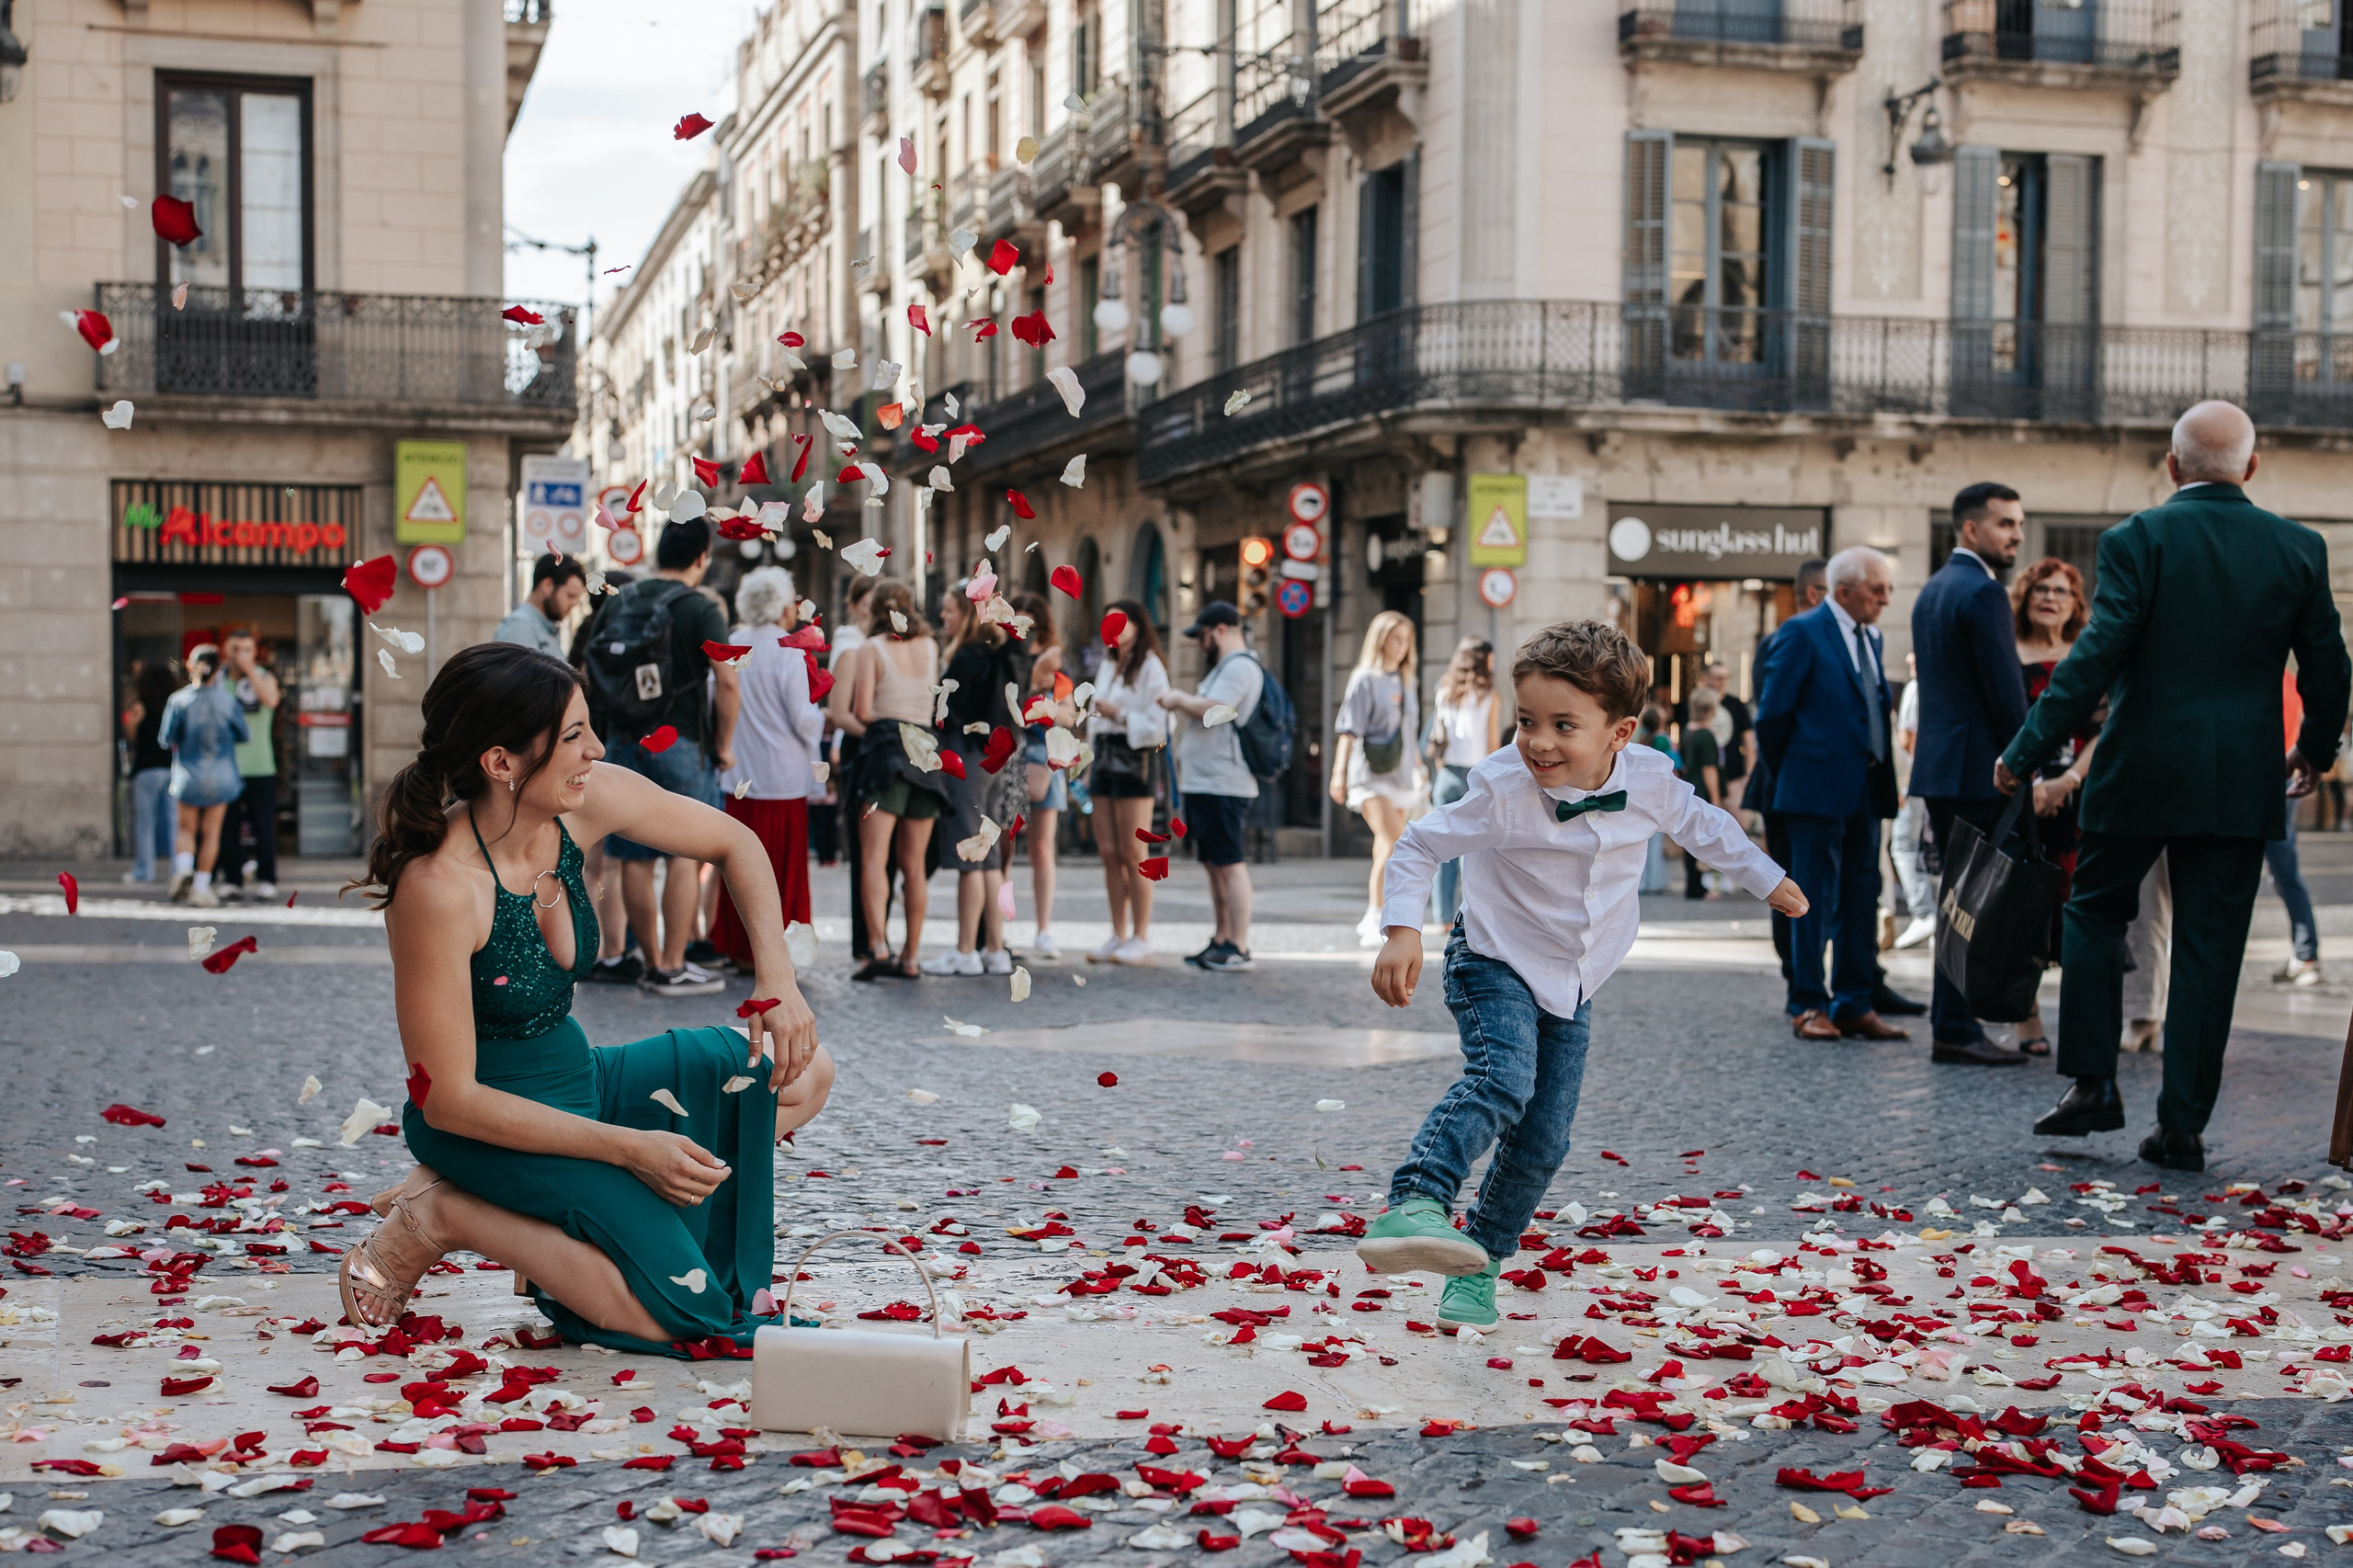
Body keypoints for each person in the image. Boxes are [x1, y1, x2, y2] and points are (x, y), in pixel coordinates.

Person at [335, 642, 834, 1348]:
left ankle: (555, 1233)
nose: (596, 749)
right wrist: (629, 1149)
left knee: (805, 1072)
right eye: (572, 736)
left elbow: (736, 843)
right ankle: (445, 1212)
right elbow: (448, 1098)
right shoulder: (438, 888)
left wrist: (776, 981)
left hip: (580, 1080)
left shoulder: (584, 800)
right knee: (684, 1317)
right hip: (484, 1121)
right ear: (500, 763)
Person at [1356, 620, 1806, 1330]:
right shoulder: (1503, 787)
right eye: (1527, 720)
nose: (1538, 741)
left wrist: (1768, 879)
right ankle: (1415, 1201)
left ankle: (1478, 1264)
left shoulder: (1651, 780)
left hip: (1575, 979)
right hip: (1493, 958)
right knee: (1503, 1079)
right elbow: (1417, 844)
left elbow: (1706, 826)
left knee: (1544, 1140)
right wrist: (1402, 929)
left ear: (1620, 732)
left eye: (1564, 725)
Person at [2018, 401, 2351, 1170]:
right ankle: (2183, 1127)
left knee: (2096, 915)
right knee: (2211, 946)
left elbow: (2095, 657)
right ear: (2252, 467)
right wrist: (2312, 750)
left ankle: (2094, 1083)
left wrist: (2029, 746)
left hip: (2139, 769)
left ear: (2171, 467)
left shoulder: (2136, 538)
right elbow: (2330, 665)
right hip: (2241, 777)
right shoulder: (2298, 547)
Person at [1752, 546, 1908, 1043]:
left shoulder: (1872, 637)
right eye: (1877, 589)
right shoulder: (1800, 633)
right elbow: (1772, 718)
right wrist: (1796, 774)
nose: (1886, 598)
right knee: (1809, 899)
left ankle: (1855, 1001)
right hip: (1811, 792)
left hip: (1866, 788)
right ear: (1845, 592)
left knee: (1863, 895)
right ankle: (1807, 1004)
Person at [1907, 483, 2033, 1065]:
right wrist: (2027, 758)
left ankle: (1953, 1025)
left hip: (1942, 769)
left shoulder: (1933, 589)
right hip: (1980, 772)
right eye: (2006, 523)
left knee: (1956, 900)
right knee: (1971, 906)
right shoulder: (1982, 592)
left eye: (2019, 523)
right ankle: (1957, 1029)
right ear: (1970, 529)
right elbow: (2006, 694)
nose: (2017, 534)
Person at [591, 520, 738, 998]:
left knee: (632, 855)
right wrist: (723, 743)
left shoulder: (621, 599)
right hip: (680, 739)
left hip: (622, 740)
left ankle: (651, 962)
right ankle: (674, 965)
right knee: (686, 849)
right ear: (703, 555)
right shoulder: (700, 606)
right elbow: (729, 681)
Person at [2005, 557, 2101, 1056]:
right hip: (2017, 800)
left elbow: (2106, 729)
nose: (2049, 598)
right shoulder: (2006, 654)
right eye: (2040, 589)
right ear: (2025, 597)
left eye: (2061, 591)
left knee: (2076, 914)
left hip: (2077, 801)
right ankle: (2028, 1020)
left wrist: (2066, 781)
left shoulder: (2087, 656)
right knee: (2025, 914)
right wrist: (2029, 784)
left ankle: (2082, 1028)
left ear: (2075, 604)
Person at [710, 567, 820, 972]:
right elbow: (803, 716)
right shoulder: (789, 650)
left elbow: (717, 699)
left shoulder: (732, 643)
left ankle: (738, 944)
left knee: (736, 862)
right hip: (783, 773)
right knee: (782, 866)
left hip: (740, 772)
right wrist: (822, 729)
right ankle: (779, 948)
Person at [843, 581, 948, 981]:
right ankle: (911, 955)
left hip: (885, 754)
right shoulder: (930, 646)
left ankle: (878, 946)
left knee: (874, 857)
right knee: (914, 864)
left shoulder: (871, 649)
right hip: (925, 755)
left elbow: (863, 709)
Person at [1158, 600, 1266, 971]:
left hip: (1225, 781)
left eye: (1203, 637)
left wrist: (1178, 699)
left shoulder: (1240, 667)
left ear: (1220, 630)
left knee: (1230, 863)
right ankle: (1221, 938)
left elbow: (1216, 710)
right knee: (1213, 863)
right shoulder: (1225, 667)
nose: (1201, 645)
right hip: (1207, 781)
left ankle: (1238, 944)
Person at [925, 582, 1019, 977]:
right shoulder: (999, 656)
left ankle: (966, 949)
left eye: (949, 610)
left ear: (967, 615)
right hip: (995, 758)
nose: (943, 617)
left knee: (970, 853)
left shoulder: (967, 658)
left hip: (967, 758)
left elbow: (945, 712)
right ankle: (995, 950)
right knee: (991, 856)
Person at [1748, 559, 1825, 978]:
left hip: (1814, 786)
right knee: (1789, 881)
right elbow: (1772, 718)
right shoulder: (1787, 638)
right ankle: (1798, 972)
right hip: (1787, 783)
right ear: (1815, 594)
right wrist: (1785, 774)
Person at [1332, 610, 1425, 948]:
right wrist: (1338, 773)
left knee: (1384, 848)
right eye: (1395, 639)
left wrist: (1419, 767)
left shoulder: (1407, 679)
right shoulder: (1364, 678)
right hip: (1368, 774)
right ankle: (1376, 916)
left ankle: (1380, 916)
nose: (1401, 646)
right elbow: (1348, 729)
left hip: (1400, 775)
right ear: (1381, 640)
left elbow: (1409, 731)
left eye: (1406, 640)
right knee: (1395, 843)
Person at [1086, 600, 1170, 966]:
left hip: (1134, 758)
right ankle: (1117, 932)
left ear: (1137, 625)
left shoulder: (1150, 665)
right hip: (1103, 756)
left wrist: (1118, 713)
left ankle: (1141, 935)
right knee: (1108, 852)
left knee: (1135, 851)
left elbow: (1160, 725)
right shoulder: (1107, 662)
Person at [572, 570, 642, 984]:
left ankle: (592, 950)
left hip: (582, 754)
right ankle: (614, 949)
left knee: (590, 866)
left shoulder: (585, 639)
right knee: (609, 864)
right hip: (614, 749)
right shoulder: (626, 639)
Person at [160, 643, 249, 908]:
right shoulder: (228, 701)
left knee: (186, 829)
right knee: (212, 833)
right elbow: (244, 734)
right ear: (218, 670)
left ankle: (184, 867)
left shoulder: (178, 700)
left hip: (188, 774)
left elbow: (166, 739)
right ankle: (200, 886)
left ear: (190, 666)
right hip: (221, 776)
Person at [1425, 638, 1502, 926]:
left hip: (1446, 776)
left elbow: (1437, 736)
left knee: (1442, 849)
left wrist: (1441, 768)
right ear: (1482, 660)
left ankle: (1442, 917)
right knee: (1473, 854)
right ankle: (1468, 918)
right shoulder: (1490, 696)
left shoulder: (1444, 691)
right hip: (1476, 776)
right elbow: (1492, 743)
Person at [1010, 591, 1069, 960]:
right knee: (1001, 845)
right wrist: (1033, 686)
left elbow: (1069, 715)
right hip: (1011, 755)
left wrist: (1043, 706)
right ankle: (995, 924)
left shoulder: (1057, 660)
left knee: (1042, 848)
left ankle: (1044, 928)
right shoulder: (1009, 656)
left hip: (1045, 757)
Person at [828, 576, 880, 960]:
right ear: (856, 604)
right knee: (867, 851)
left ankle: (876, 934)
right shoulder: (849, 647)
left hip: (876, 748)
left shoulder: (876, 644)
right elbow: (840, 712)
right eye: (871, 600)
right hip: (863, 752)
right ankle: (867, 939)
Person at [214, 627, 281, 903]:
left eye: (246, 650)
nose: (240, 655)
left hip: (260, 765)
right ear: (225, 652)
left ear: (255, 653)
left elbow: (271, 700)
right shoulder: (218, 681)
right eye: (235, 650)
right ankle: (233, 878)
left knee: (263, 825)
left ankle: (266, 877)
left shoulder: (265, 678)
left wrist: (251, 671)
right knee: (227, 826)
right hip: (226, 767)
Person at [2269, 668, 2325, 987]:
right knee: (2285, 870)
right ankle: (2306, 954)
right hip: (2285, 775)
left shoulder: (2263, 674)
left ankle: (2306, 955)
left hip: (2269, 777)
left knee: (2279, 869)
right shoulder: (2288, 678)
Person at [1889, 653, 1936, 949]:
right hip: (1943, 780)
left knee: (1903, 843)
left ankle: (1924, 913)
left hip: (1918, 779)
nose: (1908, 657)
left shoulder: (1918, 688)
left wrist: (1905, 781)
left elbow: (1908, 739)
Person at [121, 659, 181, 885]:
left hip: (146, 770)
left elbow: (131, 734)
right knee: (174, 824)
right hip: (172, 768)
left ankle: (144, 871)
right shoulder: (174, 704)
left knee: (144, 825)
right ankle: (178, 872)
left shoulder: (139, 706)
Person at [1678, 687, 1724, 899]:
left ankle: (1694, 885)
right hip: (1702, 791)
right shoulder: (1706, 735)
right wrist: (1715, 799)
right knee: (1701, 839)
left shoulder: (1688, 731)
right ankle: (1698, 887)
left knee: (1690, 839)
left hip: (1690, 787)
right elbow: (1709, 768)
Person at [495, 554, 587, 657]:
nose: (574, 603)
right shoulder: (520, 627)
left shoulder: (544, 628)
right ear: (547, 585)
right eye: (570, 596)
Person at [1634, 704, 1677, 894]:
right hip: (1658, 792)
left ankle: (1643, 881)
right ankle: (1655, 881)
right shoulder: (1663, 739)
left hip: (1642, 792)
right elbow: (1673, 765)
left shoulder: (1642, 738)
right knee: (1656, 841)